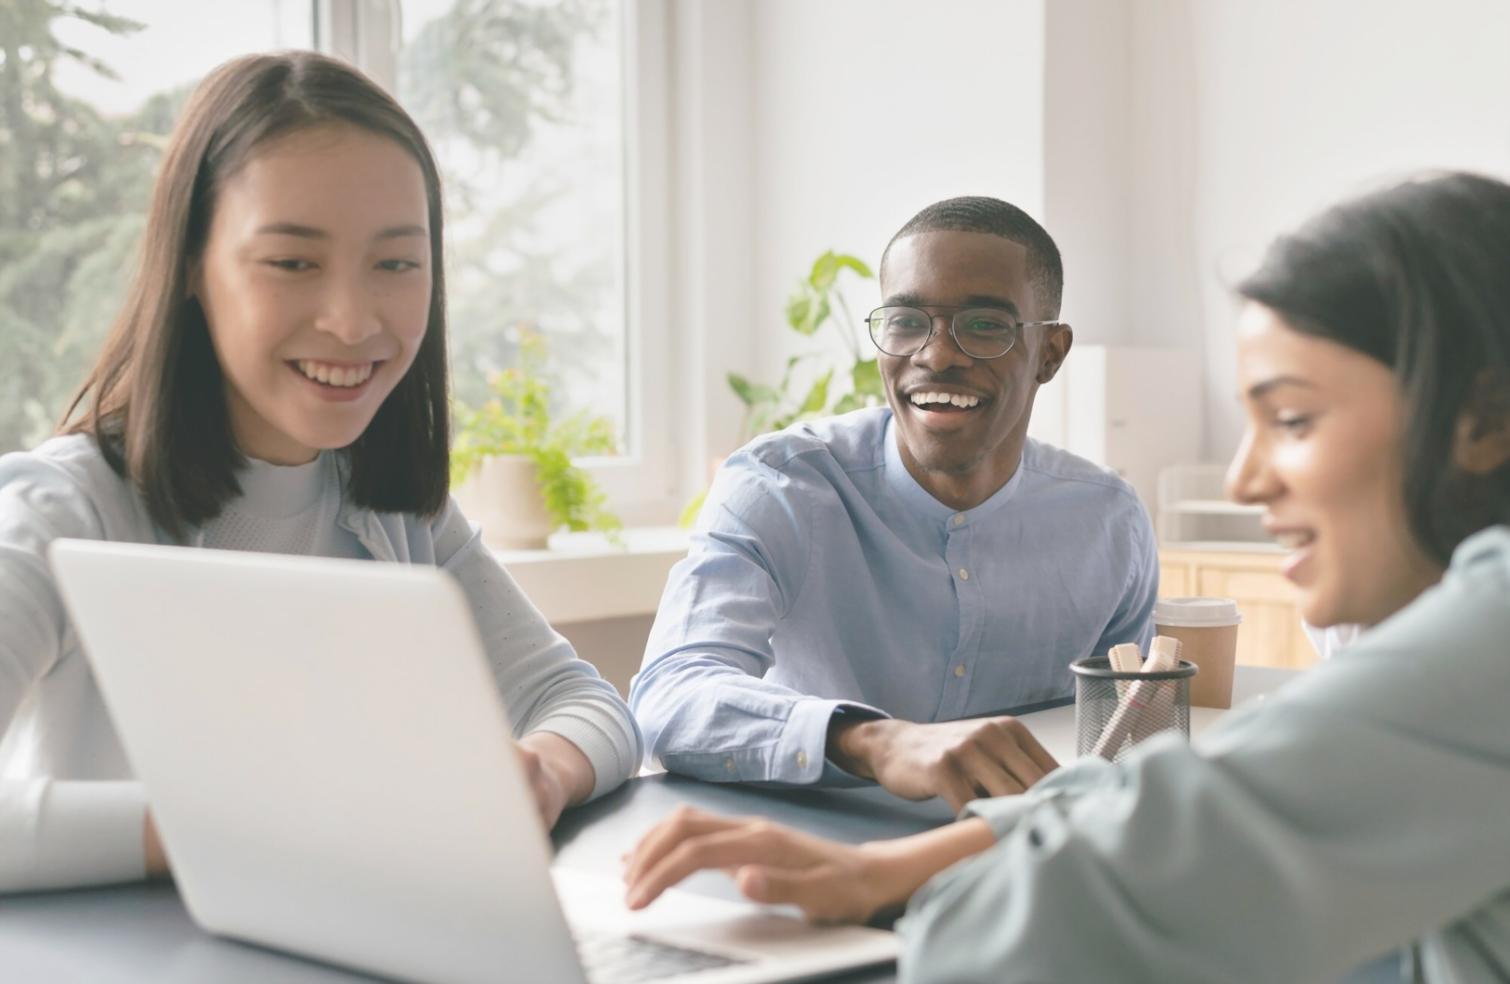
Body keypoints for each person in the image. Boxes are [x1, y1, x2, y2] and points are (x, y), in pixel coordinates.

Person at [621, 171, 1510, 983]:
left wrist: (911, 879)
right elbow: (1158, 794)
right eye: (907, 321)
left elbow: (1106, 868)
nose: (1244, 479)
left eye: (1293, 418)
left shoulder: (1485, 629)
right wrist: (881, 834)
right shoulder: (780, 483)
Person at [0, 52, 641, 895]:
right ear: (192, 265)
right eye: (293, 263)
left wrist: (541, 773)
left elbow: (585, 704)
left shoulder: (395, 513)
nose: (352, 320)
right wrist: (236, 830)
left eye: (397, 264)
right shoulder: (62, 509)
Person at [630, 197, 1159, 810]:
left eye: (984, 325)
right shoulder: (780, 485)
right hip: (808, 858)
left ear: (1050, 353)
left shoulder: (1108, 522)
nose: (936, 355)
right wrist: (876, 742)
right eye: (907, 322)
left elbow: (1126, 730)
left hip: (1016, 862)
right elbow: (670, 696)